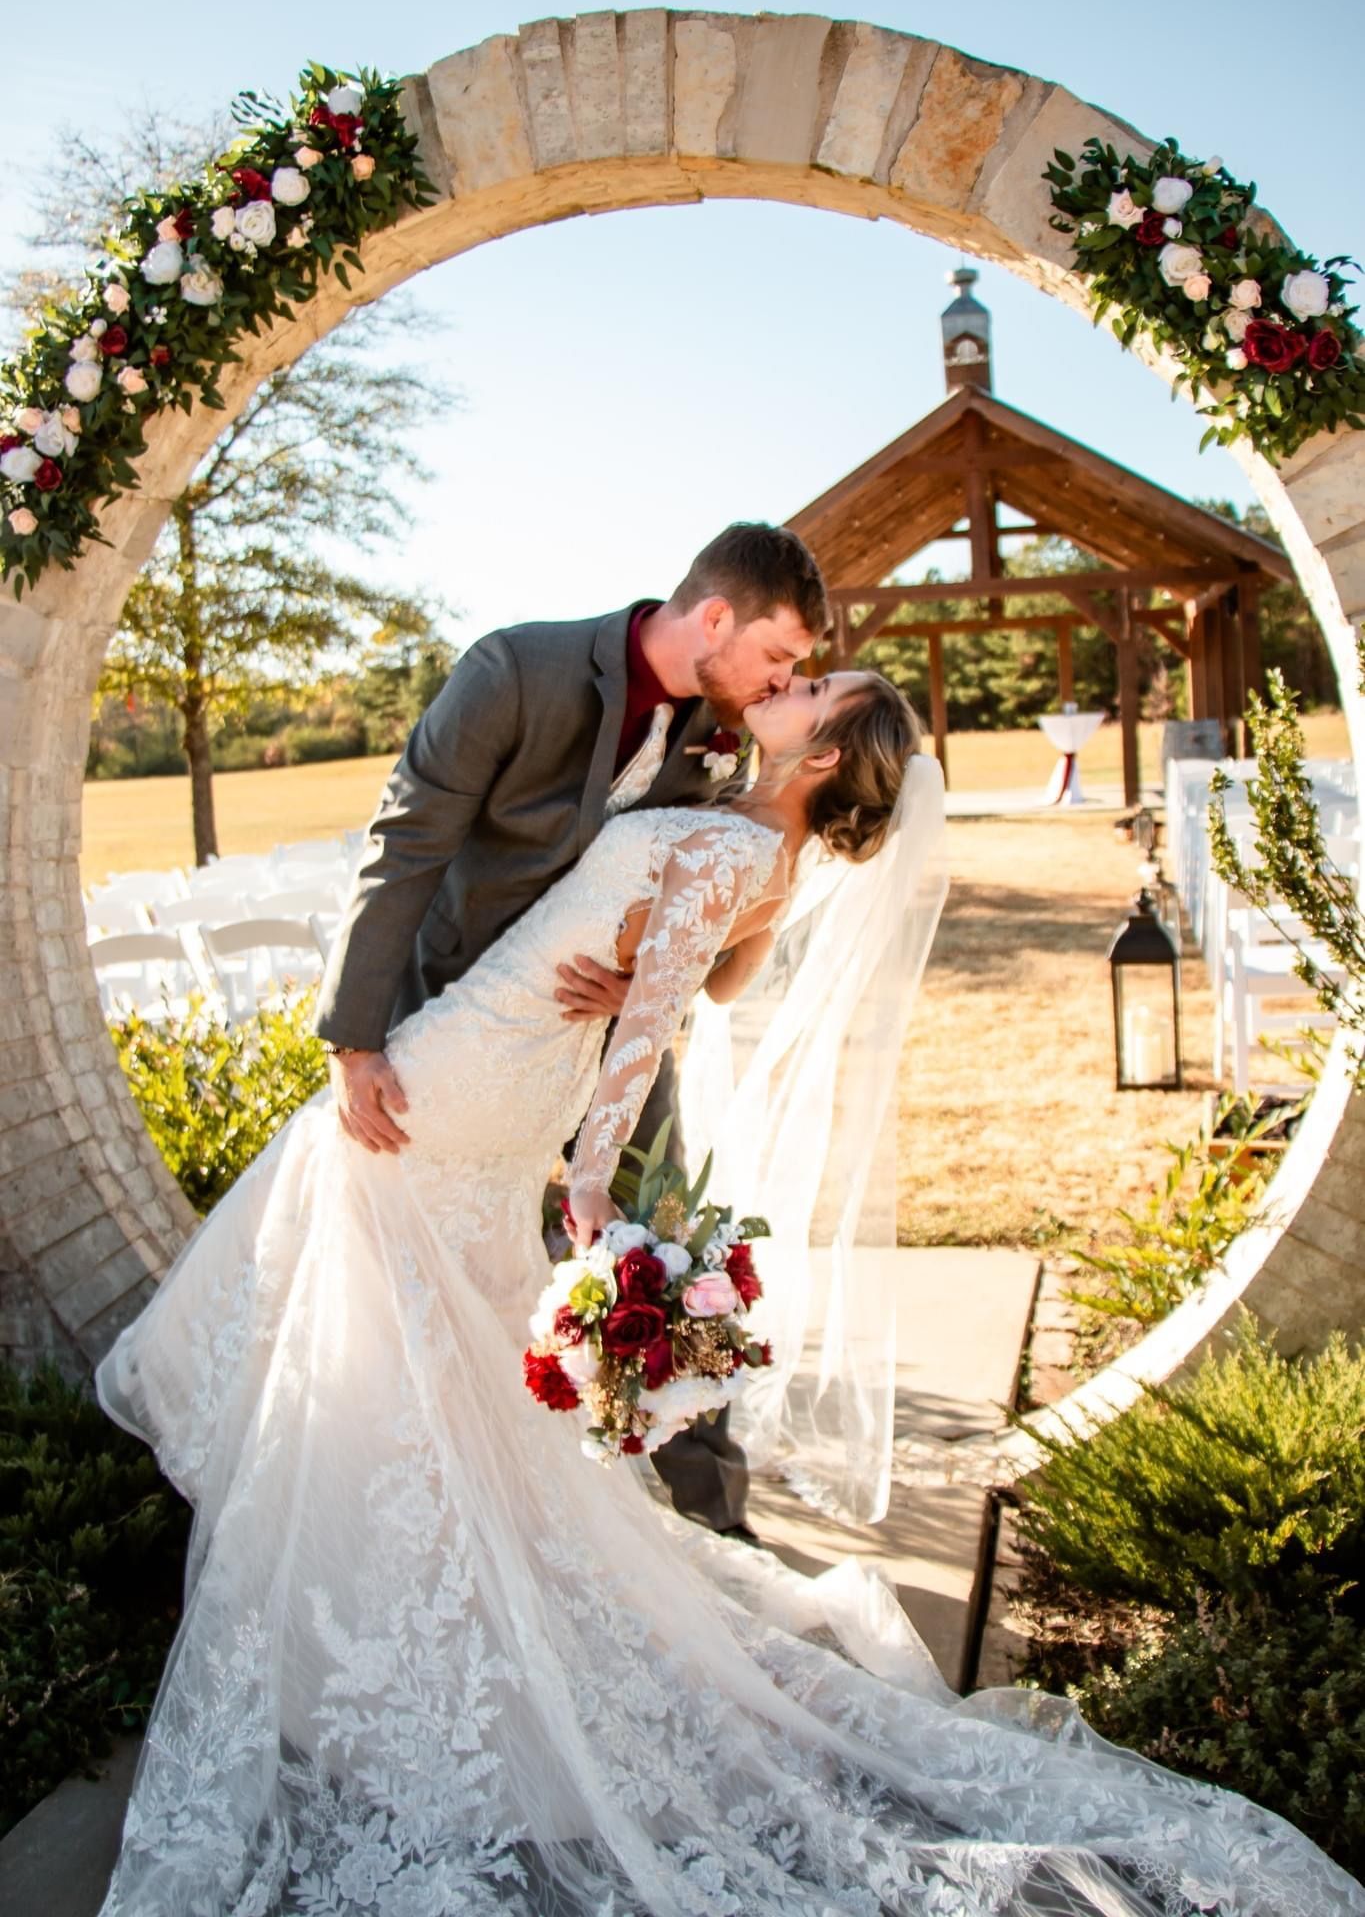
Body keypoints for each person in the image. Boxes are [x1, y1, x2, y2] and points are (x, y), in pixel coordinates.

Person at [95, 669, 1359, 1916]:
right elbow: (712, 979)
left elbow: (654, 1030)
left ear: (817, 757)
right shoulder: (757, 846)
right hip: (512, 1046)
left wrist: (592, 1180)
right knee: (420, 1328)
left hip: (482, 1069)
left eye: (814, 690)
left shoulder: (728, 844)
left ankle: (396, 1640)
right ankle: (406, 1627)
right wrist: (640, 958)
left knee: (350, 1208)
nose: (792, 684)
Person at [314, 520, 829, 1542]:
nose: (779, 685)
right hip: (473, 1026)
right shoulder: (515, 670)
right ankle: (470, 1513)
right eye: (777, 656)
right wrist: (354, 1036)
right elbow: (407, 841)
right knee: (466, 1286)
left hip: (616, 1046)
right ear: (715, 618)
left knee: (665, 1258)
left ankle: (701, 1529)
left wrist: (645, 980)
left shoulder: (727, 734)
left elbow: (704, 898)